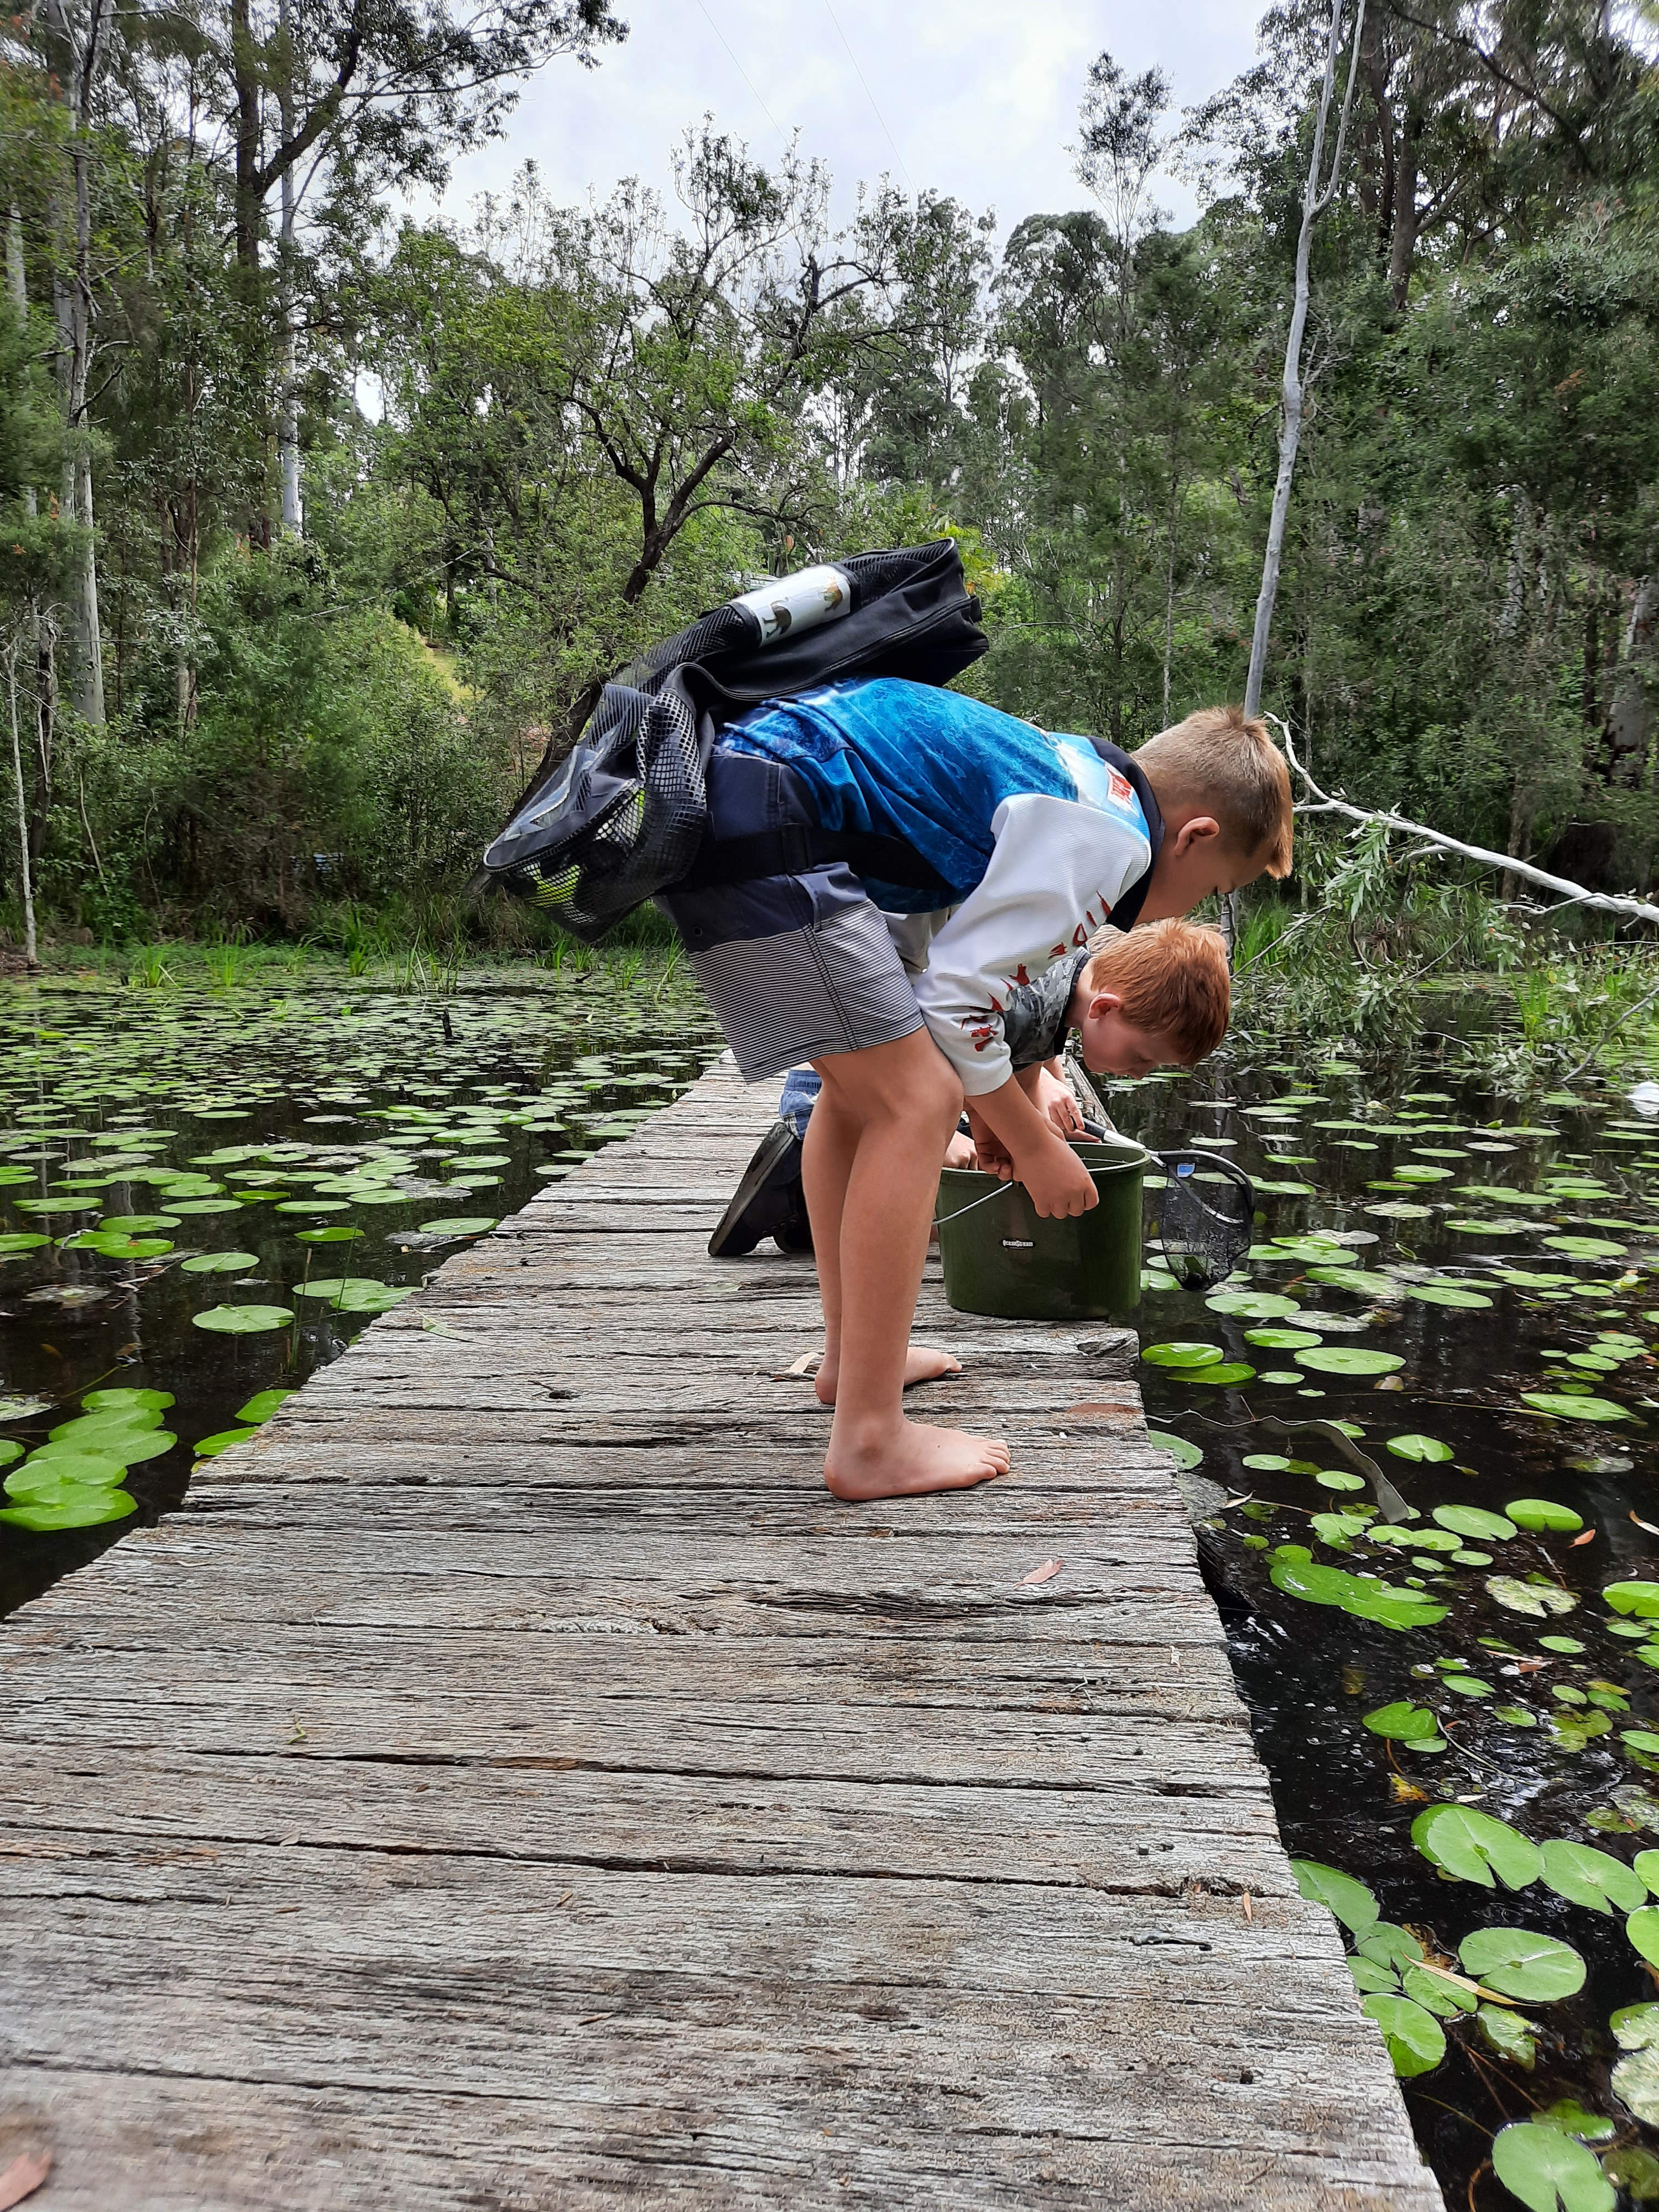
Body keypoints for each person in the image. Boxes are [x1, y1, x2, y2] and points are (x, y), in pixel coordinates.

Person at [658, 680, 1292, 1504]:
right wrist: (1033, 1146)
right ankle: (871, 1440)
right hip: (767, 817)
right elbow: (958, 1013)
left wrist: (996, 1118)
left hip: (753, 804)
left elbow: (931, 945)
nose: (1196, 906)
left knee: (859, 1097)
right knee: (915, 1102)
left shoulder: (1072, 777)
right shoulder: (1109, 838)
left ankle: (852, 1366)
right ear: (1195, 834)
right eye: (1212, 889)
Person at [709, 920, 1229, 1250]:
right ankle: (800, 1160)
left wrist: (1028, 1140)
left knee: (951, 1200)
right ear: (1105, 1008)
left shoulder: (1058, 982)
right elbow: (946, 1058)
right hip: (838, 1089)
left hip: (876, 1080)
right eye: (1142, 1057)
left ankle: (802, 1208)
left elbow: (1012, 1079)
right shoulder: (1027, 998)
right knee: (923, 1206)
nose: (1138, 1073)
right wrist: (989, 1141)